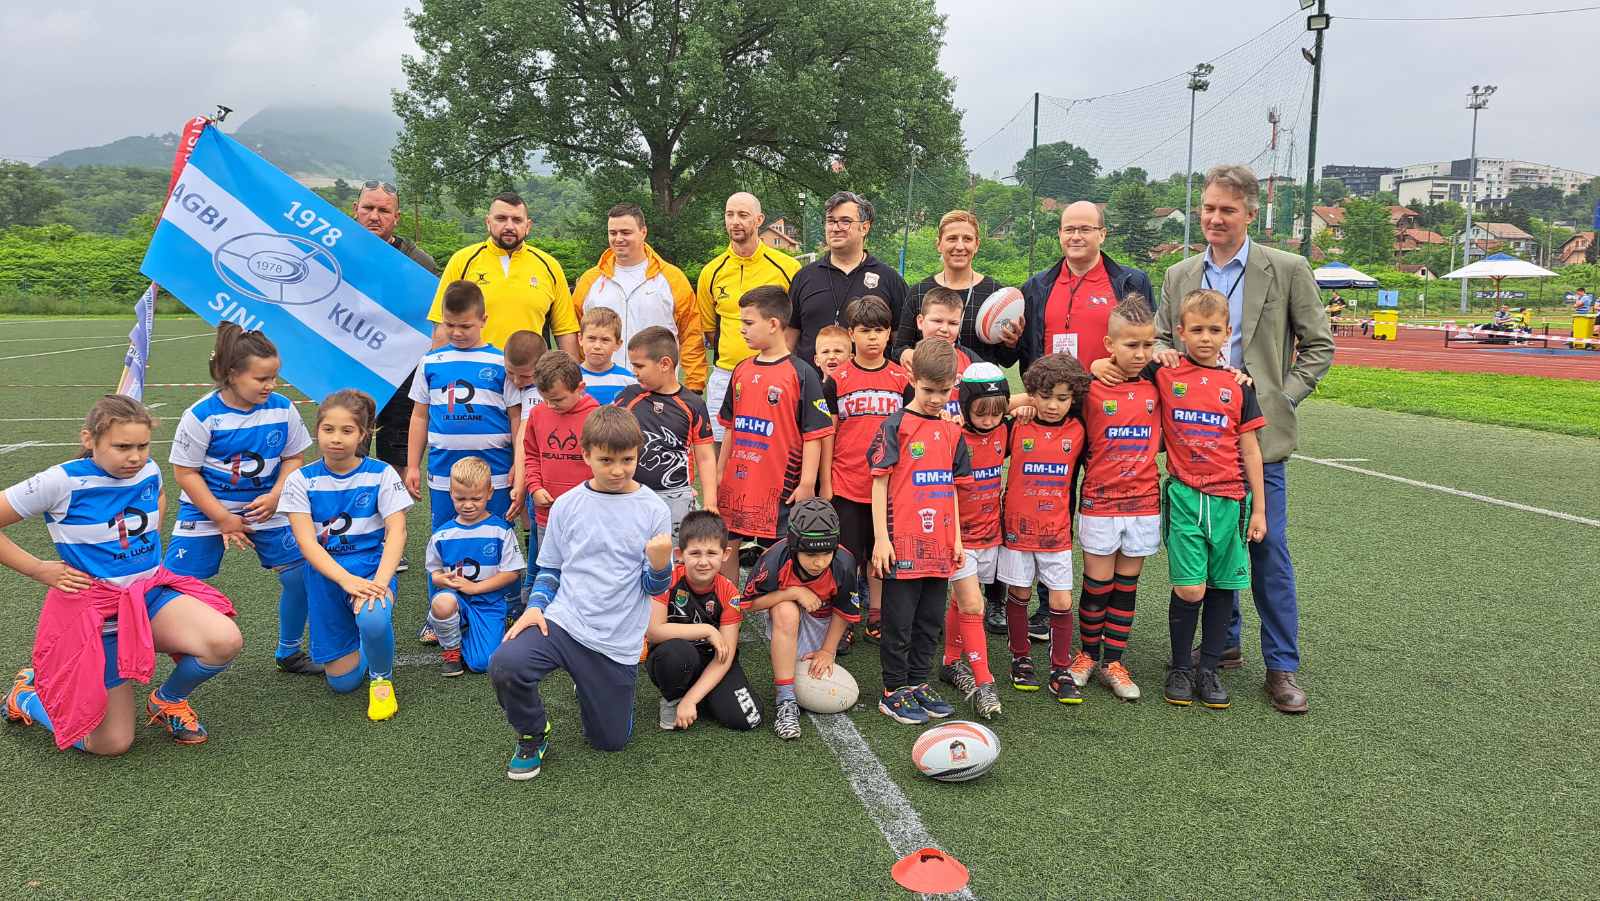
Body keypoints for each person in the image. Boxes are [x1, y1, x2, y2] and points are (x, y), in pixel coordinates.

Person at [1151, 164, 1333, 714]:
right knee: (1208, 547)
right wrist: (1163, 354)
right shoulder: (1180, 274)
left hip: (1255, 443)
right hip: (1194, 448)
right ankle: (1222, 645)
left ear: (1251, 214)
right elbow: (1159, 338)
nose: (1215, 218)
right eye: (1208, 207)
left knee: (1268, 550)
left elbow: (1319, 346)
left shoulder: (1288, 268)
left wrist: (1280, 399)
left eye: (1227, 210)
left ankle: (1281, 665)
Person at [2, 396, 241, 753]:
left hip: (147, 597)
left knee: (224, 641)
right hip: (99, 616)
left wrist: (144, 545)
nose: (135, 457)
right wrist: (38, 569)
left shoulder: (148, 470)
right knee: (110, 744)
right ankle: (26, 696)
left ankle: (167, 700)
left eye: (142, 446)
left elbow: (157, 496)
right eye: (122, 447)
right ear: (89, 439)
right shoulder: (61, 482)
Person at [489, 406, 674, 779]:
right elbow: (550, 570)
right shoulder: (568, 505)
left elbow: (653, 588)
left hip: (616, 640)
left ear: (638, 454)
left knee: (610, 742)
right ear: (586, 455)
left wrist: (659, 566)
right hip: (565, 623)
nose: (618, 470)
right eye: (607, 460)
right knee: (506, 664)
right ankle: (533, 733)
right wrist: (535, 606)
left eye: (627, 459)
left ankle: (591, 684)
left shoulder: (654, 509)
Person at [163, 325, 316, 675]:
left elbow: (294, 458)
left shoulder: (283, 409)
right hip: (206, 509)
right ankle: (179, 649)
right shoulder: (201, 415)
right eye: (261, 378)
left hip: (266, 506)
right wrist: (221, 518)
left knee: (301, 575)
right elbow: (185, 473)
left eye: (274, 377)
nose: (270, 385)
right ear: (232, 374)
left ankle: (289, 652)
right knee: (172, 585)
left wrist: (276, 495)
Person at [1149, 288, 1267, 710]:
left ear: (1227, 333)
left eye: (1214, 330)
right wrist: (1154, 354)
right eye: (1196, 330)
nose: (1205, 338)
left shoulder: (1238, 385)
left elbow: (1250, 449)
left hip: (1230, 501)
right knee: (1190, 588)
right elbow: (1120, 365)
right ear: (1180, 332)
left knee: (1222, 587)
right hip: (1184, 496)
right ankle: (1181, 667)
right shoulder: (1165, 373)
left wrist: (1259, 510)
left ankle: (1209, 669)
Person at [280, 390, 412, 722]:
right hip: (326, 577)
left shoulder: (381, 474)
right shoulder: (300, 480)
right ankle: (365, 643)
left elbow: (397, 531)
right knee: (342, 683)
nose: (336, 439)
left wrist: (380, 583)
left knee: (372, 615)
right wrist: (345, 580)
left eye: (347, 430)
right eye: (328, 429)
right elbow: (307, 543)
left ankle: (381, 680)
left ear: (363, 434)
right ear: (317, 430)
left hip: (370, 569)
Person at [869, 337, 970, 725]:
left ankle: (917, 683)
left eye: (944, 392)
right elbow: (879, 484)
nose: (936, 399)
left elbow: (953, 490)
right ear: (912, 379)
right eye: (928, 390)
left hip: (939, 547)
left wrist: (956, 539)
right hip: (902, 545)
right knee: (899, 623)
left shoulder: (952, 432)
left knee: (930, 622)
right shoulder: (895, 426)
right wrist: (882, 539)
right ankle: (893, 690)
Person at [1067, 297, 1163, 702]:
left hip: (1143, 503)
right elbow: (1047, 389)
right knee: (1097, 584)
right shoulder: (1089, 388)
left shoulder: (1159, 382)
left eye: (1147, 345)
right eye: (1131, 345)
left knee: (1126, 586)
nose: (1140, 354)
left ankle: (1114, 662)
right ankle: (1088, 655)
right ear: (1109, 343)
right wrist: (1089, 367)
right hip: (1100, 502)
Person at [715, 286, 834, 583]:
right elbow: (730, 427)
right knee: (726, 546)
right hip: (737, 484)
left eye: (748, 322)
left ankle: (773, 602)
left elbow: (814, 435)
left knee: (779, 552)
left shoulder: (801, 373)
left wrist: (807, 483)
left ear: (772, 324)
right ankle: (731, 603)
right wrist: (719, 473)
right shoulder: (741, 370)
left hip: (780, 489)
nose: (741, 329)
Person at [1000, 352, 1090, 704]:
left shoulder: (1078, 429)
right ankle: (1020, 658)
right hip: (1017, 531)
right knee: (1020, 594)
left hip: (1056, 532)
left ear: (1073, 399)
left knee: (1061, 599)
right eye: (1045, 396)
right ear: (1032, 394)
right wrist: (1017, 404)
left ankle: (1059, 669)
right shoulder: (1018, 424)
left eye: (1062, 398)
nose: (1053, 405)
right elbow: (983, 411)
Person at [822, 296, 908, 645]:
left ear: (889, 333)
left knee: (880, 556)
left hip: (889, 487)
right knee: (846, 558)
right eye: (865, 330)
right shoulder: (837, 379)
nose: (873, 337)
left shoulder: (901, 379)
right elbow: (828, 434)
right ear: (851, 333)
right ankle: (844, 618)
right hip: (847, 484)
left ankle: (877, 613)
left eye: (880, 330)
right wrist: (826, 482)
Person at [405, 281, 520, 534]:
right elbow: (419, 416)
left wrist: (517, 465)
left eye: (465, 326)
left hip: (496, 470)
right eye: (450, 325)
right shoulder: (430, 362)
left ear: (483, 320)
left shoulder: (501, 362)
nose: (457, 332)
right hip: (444, 470)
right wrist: (412, 465)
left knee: (496, 535)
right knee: (445, 535)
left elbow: (516, 418)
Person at [740, 499, 861, 740]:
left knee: (814, 668)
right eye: (811, 554)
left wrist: (827, 650)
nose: (819, 562)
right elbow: (749, 604)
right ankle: (785, 700)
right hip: (788, 618)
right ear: (794, 546)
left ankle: (821, 649)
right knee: (785, 609)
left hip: (824, 619)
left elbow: (843, 610)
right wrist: (793, 592)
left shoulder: (844, 562)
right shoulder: (775, 558)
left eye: (827, 553)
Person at [353, 181, 440, 504]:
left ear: (397, 217)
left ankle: (394, 530)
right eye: (368, 208)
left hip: (404, 373)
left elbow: (434, 321)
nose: (374, 216)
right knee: (347, 453)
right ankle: (353, 527)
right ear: (355, 210)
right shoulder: (337, 251)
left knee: (398, 460)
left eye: (383, 210)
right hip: (352, 369)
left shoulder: (421, 263)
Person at [698, 192, 802, 444]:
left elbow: (796, 324)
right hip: (725, 375)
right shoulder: (711, 272)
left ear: (759, 219)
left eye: (743, 215)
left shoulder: (788, 268)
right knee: (718, 447)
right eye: (730, 214)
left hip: (774, 374)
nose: (735, 221)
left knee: (770, 445)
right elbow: (710, 329)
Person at [646, 511, 762, 732]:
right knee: (676, 654)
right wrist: (707, 630)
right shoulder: (669, 579)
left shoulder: (729, 591)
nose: (703, 562)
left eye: (711, 553)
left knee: (748, 719)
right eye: (695, 553)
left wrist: (692, 699)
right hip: (678, 656)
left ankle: (696, 696)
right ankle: (673, 698)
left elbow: (725, 655)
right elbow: (653, 631)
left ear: (725, 554)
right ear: (680, 554)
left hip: (713, 660)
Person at [572, 202, 707, 392]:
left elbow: (691, 334)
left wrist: (695, 385)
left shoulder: (672, 278)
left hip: (657, 392)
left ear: (643, 232)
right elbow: (574, 334)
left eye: (626, 232)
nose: (618, 238)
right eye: (613, 233)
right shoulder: (590, 280)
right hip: (600, 391)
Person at [428, 191, 580, 357]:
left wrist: (571, 372)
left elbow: (566, 331)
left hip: (530, 370)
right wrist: (438, 367)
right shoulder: (462, 261)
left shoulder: (549, 266)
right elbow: (442, 324)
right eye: (501, 219)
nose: (509, 226)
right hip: (476, 369)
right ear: (488, 222)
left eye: (517, 220)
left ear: (528, 226)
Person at [940, 362, 1009, 720]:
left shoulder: (1005, 429)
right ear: (964, 406)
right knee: (972, 605)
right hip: (958, 537)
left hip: (989, 533)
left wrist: (1021, 406)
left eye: (996, 412)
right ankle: (984, 683)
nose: (989, 419)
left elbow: (1023, 402)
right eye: (980, 412)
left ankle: (951, 661)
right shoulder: (952, 435)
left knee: (963, 601)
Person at [1018, 201, 1155, 376]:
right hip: (1053, 393)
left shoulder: (1133, 283)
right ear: (1060, 234)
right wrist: (1011, 341)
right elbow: (1018, 352)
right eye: (1069, 230)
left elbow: (1148, 343)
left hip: (1112, 391)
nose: (1076, 236)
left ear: (1102, 234)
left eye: (1085, 229)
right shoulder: (1035, 287)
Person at [425, 456, 525, 677]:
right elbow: (434, 572)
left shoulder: (501, 531)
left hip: (489, 603)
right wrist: (440, 578)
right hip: (457, 599)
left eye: (476, 498)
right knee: (442, 603)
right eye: (460, 498)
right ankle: (451, 649)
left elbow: (512, 573)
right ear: (451, 493)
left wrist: (475, 588)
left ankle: (467, 630)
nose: (468, 505)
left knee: (481, 663)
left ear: (489, 493)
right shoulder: (443, 534)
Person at [615, 325, 718, 537]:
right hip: (631, 491)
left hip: (677, 496)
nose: (634, 372)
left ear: (664, 364)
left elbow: (705, 457)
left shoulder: (693, 404)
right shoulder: (628, 396)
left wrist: (710, 502)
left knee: (674, 552)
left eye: (639, 366)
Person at [787, 191, 909, 363]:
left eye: (845, 221)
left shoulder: (889, 279)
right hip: (813, 379)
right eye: (831, 221)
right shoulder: (804, 277)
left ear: (865, 227)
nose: (836, 228)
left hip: (870, 380)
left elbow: (902, 343)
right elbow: (788, 340)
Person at [892, 210, 1018, 366]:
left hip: (980, 381)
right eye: (952, 238)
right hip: (933, 381)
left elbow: (1006, 361)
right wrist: (906, 354)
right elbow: (899, 349)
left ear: (977, 245)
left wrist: (1011, 344)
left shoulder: (995, 294)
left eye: (967, 239)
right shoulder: (919, 292)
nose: (960, 246)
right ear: (939, 244)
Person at [523, 351, 600, 548]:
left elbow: (604, 464)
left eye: (558, 399)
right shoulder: (537, 414)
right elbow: (531, 455)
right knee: (549, 565)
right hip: (547, 514)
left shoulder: (596, 417)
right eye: (545, 399)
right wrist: (535, 487)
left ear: (580, 388)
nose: (550, 405)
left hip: (587, 515)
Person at [503, 329, 547, 624]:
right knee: (534, 527)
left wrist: (520, 478)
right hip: (533, 472)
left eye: (525, 376)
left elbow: (524, 438)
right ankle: (530, 592)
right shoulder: (519, 387)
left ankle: (533, 592)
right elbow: (518, 431)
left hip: (544, 472)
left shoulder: (538, 391)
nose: (517, 381)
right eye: (511, 373)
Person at [573, 306, 638, 406]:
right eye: (591, 338)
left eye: (605, 340)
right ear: (580, 339)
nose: (597, 346)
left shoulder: (629, 381)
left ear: (618, 344)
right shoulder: (571, 379)